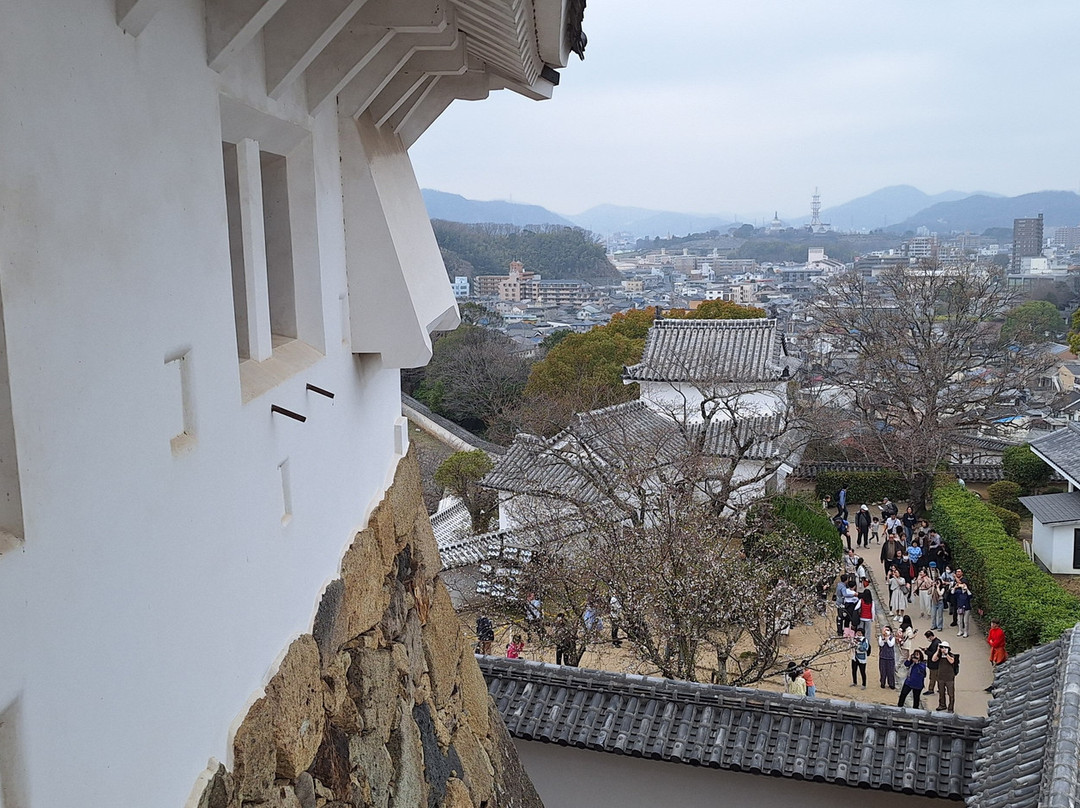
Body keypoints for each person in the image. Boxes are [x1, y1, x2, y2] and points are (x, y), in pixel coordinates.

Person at [933, 641, 959, 712]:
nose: (943, 649)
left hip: (949, 678)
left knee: (951, 694)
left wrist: (946, 654)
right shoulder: (939, 655)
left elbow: (952, 661)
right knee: (941, 692)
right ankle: (942, 705)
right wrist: (937, 650)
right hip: (941, 677)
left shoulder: (951, 655)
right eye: (941, 647)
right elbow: (933, 659)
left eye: (944, 647)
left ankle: (951, 708)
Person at [923, 630, 941, 697]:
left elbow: (932, 654)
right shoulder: (936, 642)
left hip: (934, 664)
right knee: (937, 677)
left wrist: (926, 651)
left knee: (933, 677)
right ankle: (941, 688)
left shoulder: (935, 643)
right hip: (936, 664)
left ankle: (931, 690)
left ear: (930, 637)